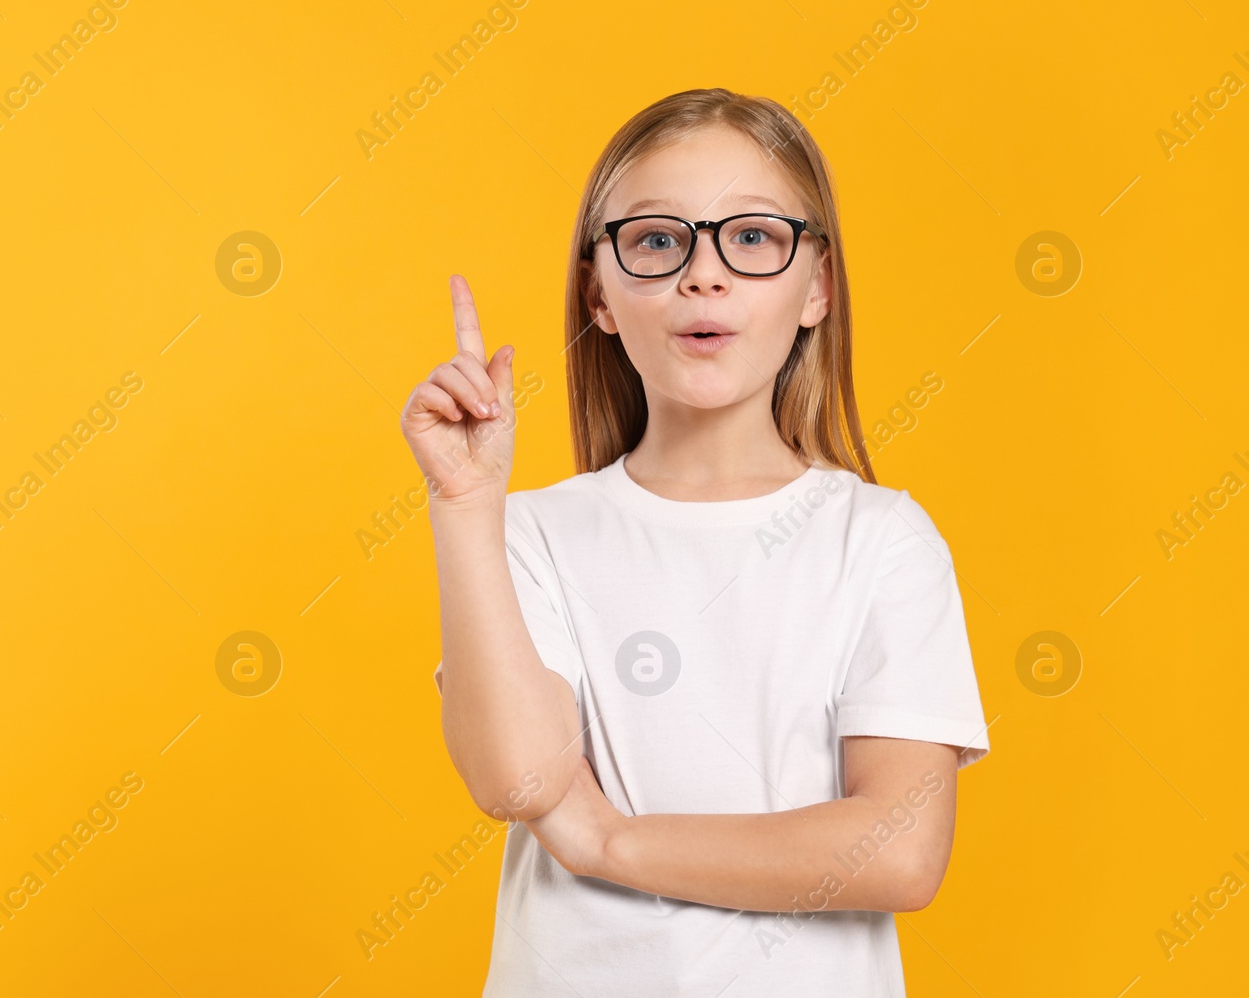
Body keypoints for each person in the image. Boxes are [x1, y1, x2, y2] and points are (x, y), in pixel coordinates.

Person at [399, 87, 990, 996]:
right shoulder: (531, 533)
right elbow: (518, 780)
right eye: (657, 239)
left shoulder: (879, 541)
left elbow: (899, 850)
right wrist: (467, 504)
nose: (702, 275)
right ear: (599, 291)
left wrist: (606, 839)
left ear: (817, 287)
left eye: (752, 238)